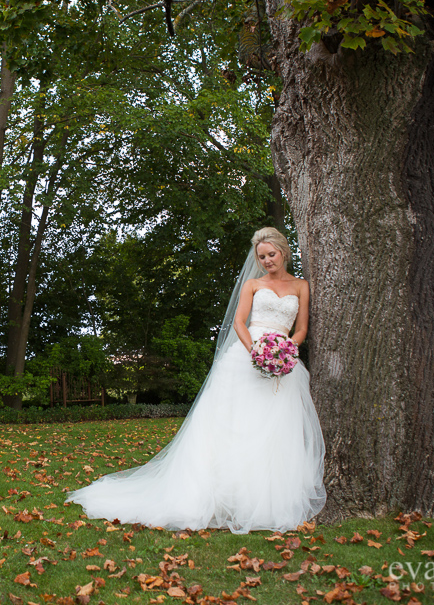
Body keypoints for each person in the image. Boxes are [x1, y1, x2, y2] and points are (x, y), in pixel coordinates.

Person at [65, 227, 326, 533]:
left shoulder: (301, 286)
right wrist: (256, 350)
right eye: (262, 256)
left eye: (271, 254)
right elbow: (240, 323)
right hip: (247, 356)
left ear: (283, 251)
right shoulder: (254, 285)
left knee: (276, 429)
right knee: (235, 426)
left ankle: (268, 499)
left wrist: (285, 350)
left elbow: (302, 328)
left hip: (283, 359)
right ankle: (225, 496)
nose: (267, 260)